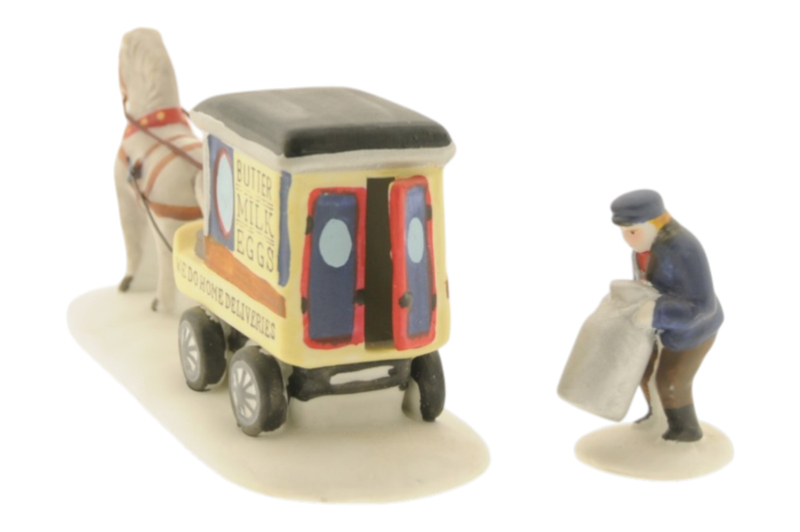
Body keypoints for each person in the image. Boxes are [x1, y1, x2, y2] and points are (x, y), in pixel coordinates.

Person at [611, 190, 723, 442]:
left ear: (655, 223)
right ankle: (657, 417)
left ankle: (685, 430)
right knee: (643, 368)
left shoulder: (684, 249)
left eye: (632, 232)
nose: (627, 240)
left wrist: (656, 312)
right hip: (659, 326)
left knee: (670, 380)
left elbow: (703, 306)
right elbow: (648, 285)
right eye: (624, 232)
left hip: (693, 329)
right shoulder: (643, 246)